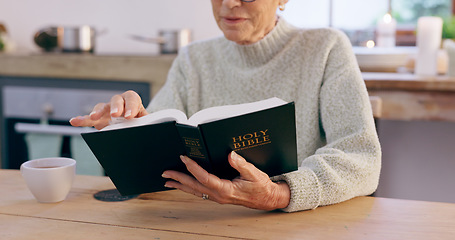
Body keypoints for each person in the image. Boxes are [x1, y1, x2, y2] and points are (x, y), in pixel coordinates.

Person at [70, 0, 381, 212]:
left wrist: (278, 194)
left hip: (297, 225)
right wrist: (126, 127)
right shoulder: (193, 59)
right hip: (202, 221)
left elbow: (361, 156)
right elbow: (159, 155)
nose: (230, 4)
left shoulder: (326, 48)